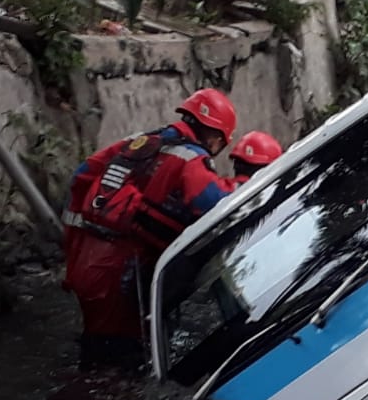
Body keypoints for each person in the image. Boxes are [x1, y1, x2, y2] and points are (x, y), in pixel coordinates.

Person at [62, 88, 239, 371]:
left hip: (87, 263)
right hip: (121, 271)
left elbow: (82, 175)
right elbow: (215, 204)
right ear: (215, 137)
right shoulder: (190, 159)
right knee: (124, 360)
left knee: (96, 348)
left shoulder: (136, 143)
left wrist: (72, 247)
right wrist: (244, 184)